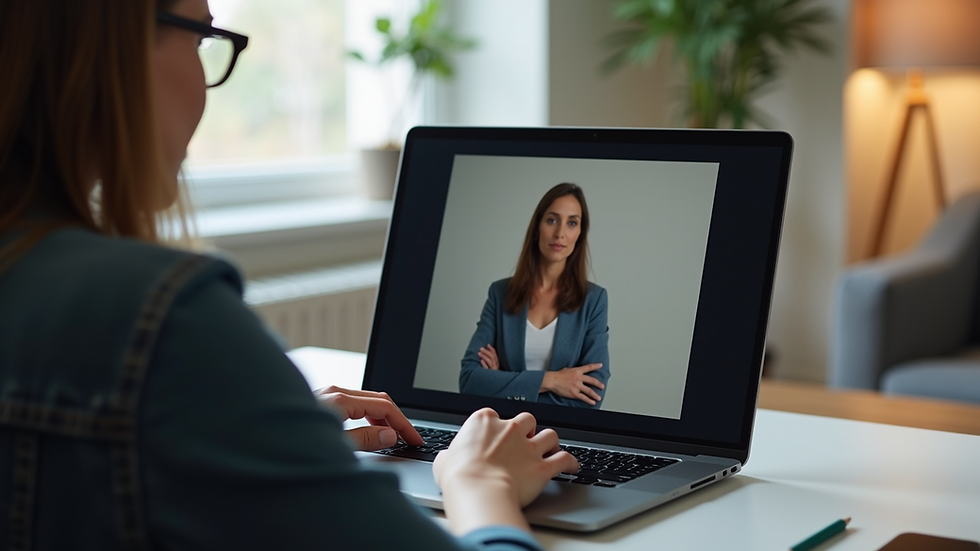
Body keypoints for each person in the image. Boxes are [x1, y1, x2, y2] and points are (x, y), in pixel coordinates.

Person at [0, 1, 579, 549]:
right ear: (110, 44)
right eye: (201, 36)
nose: (205, 83)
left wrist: (249, 425)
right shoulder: (161, 320)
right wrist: (483, 484)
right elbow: (473, 379)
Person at [459, 184, 611, 408]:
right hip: (502, 428)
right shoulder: (500, 293)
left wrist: (504, 382)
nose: (560, 232)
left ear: (580, 233)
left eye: (572, 222)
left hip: (560, 434)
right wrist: (552, 380)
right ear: (537, 226)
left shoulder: (594, 300)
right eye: (552, 220)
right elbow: (470, 381)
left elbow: (592, 396)